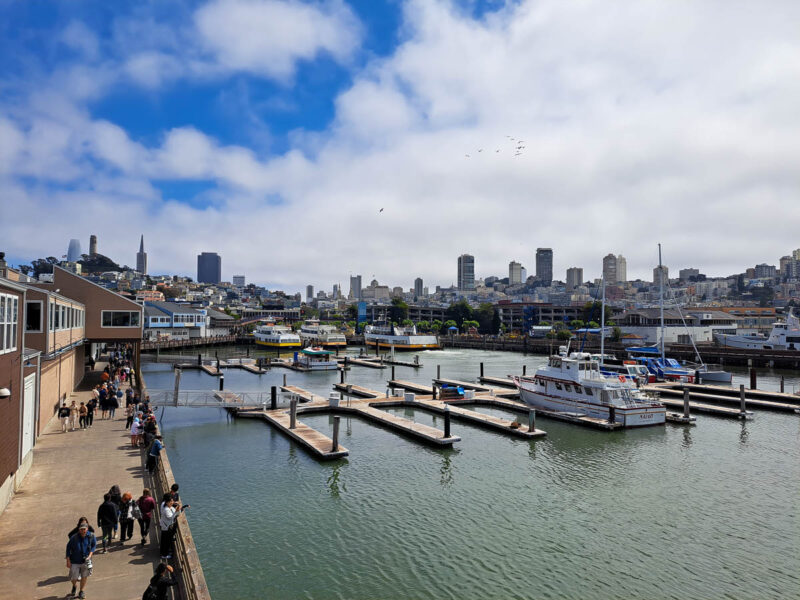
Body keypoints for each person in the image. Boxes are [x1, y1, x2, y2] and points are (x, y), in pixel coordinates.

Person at [66, 521, 96, 599]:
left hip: (85, 561)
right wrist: (68, 560)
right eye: (81, 529)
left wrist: (90, 555)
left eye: (84, 529)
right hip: (75, 561)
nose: (83, 531)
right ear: (79, 530)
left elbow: (94, 545)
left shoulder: (91, 536)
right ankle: (74, 586)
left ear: (87, 529)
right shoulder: (74, 538)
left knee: (84, 576)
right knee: (73, 578)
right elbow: (68, 548)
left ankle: (81, 591)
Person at [158, 493, 188, 559]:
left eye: (172, 501)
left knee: (165, 540)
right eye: (170, 501)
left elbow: (175, 513)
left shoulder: (165, 505)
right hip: (166, 527)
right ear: (166, 502)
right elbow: (171, 517)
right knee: (166, 541)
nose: (172, 502)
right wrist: (177, 510)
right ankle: (164, 555)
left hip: (165, 526)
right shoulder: (166, 509)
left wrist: (177, 510)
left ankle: (164, 553)